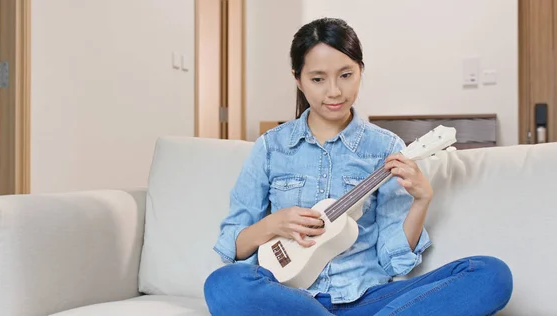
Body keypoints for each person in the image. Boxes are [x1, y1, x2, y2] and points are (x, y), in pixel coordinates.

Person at [203, 17, 513, 316]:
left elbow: (395, 263)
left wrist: (421, 201)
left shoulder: (387, 148)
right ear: (297, 78)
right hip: (288, 300)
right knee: (222, 284)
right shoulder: (271, 147)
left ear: (360, 71)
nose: (334, 91)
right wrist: (272, 225)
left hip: (367, 300)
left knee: (490, 274)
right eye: (318, 79)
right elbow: (233, 245)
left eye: (346, 75)